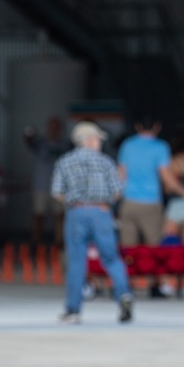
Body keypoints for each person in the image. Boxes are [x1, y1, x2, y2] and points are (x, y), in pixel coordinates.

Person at [50, 122, 133, 325]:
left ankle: (73, 310)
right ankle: (123, 295)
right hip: (101, 212)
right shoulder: (105, 162)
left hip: (76, 212)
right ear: (88, 140)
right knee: (111, 258)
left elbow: (57, 192)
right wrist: (103, 202)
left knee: (77, 262)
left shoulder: (64, 162)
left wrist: (74, 200)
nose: (99, 143)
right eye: (97, 139)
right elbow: (117, 192)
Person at [117, 119, 183, 248]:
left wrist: (116, 196)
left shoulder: (127, 145)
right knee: (154, 248)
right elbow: (165, 176)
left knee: (128, 249)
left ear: (137, 126)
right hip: (151, 203)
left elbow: (121, 174)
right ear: (157, 127)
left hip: (129, 202)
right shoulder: (160, 146)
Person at [23, 116, 68, 246]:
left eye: (56, 127)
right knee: (38, 214)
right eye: (51, 127)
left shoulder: (65, 144)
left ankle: (60, 242)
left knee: (60, 215)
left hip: (60, 186)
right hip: (41, 185)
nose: (53, 130)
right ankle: (35, 242)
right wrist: (29, 133)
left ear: (60, 129)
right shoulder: (40, 143)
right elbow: (29, 141)